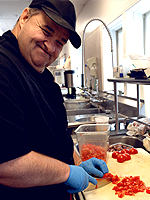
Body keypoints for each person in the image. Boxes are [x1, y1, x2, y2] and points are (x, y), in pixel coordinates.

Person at [0, 0, 109, 199]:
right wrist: (67, 172)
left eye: (60, 42)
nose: (51, 47)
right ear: (25, 18)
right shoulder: (4, 66)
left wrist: (77, 163)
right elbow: (6, 164)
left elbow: (57, 134)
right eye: (47, 31)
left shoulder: (42, 75)